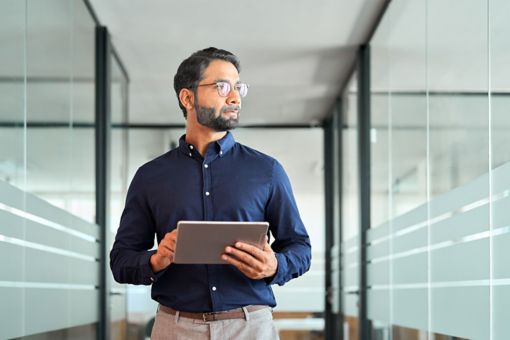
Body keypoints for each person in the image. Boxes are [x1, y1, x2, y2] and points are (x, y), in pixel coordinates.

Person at [110, 47, 311, 340]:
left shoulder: (267, 171)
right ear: (187, 97)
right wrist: (156, 259)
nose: (235, 97)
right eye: (222, 87)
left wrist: (275, 265)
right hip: (175, 327)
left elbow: (300, 247)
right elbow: (121, 260)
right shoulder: (150, 177)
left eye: (238, 87)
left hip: (250, 326)